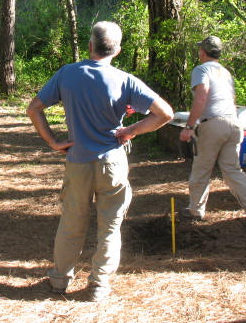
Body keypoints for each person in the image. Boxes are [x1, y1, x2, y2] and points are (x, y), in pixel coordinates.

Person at [26, 21, 173, 302]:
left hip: (78, 162)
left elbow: (34, 109)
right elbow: (165, 113)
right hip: (112, 163)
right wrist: (131, 130)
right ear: (117, 50)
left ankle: (59, 280)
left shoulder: (68, 73)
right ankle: (98, 285)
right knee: (110, 227)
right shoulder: (126, 80)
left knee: (71, 223)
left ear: (90, 45)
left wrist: (53, 142)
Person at [179, 36, 246, 229]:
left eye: (200, 50)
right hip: (234, 123)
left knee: (201, 169)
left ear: (203, 52)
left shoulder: (201, 69)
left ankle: (195, 210)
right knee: (233, 171)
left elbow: (201, 97)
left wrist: (189, 127)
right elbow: (231, 100)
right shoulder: (225, 72)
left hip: (213, 124)